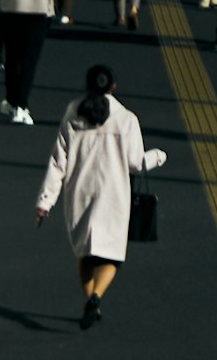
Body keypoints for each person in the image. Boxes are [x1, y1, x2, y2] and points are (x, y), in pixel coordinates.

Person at [33, 64, 170, 327]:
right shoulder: (126, 118)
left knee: (84, 253)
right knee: (111, 255)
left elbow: (57, 161)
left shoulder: (73, 112)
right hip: (113, 194)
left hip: (79, 192)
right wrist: (159, 156)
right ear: (113, 87)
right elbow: (135, 162)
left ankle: (90, 300)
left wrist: (45, 201)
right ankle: (96, 297)